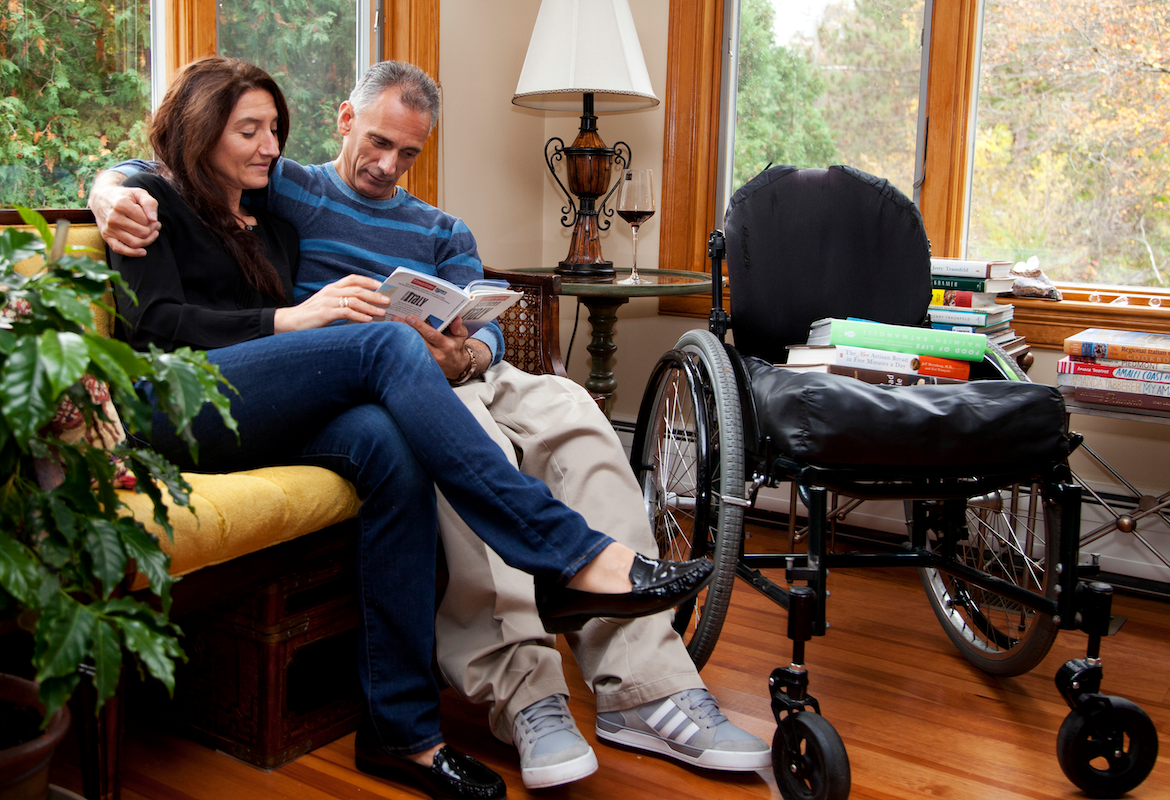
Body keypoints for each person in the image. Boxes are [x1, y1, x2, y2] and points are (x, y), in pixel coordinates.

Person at [91, 60, 771, 790]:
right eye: (376, 142)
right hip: (261, 385)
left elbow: (488, 314)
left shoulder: (301, 217)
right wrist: (105, 188)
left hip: (415, 376)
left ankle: (419, 729)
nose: (387, 165)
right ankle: (557, 596)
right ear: (346, 123)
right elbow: (157, 189)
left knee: (512, 420)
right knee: (398, 372)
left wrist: (471, 349)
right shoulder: (267, 190)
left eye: (408, 153)